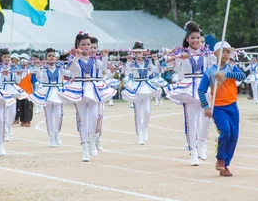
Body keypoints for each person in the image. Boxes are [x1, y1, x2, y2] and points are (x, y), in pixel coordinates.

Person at [60, 32, 115, 162]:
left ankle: (92, 141)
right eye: (83, 44)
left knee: (95, 117)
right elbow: (68, 69)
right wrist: (76, 57)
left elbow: (103, 70)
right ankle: (84, 147)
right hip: (79, 88)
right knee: (82, 120)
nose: (86, 47)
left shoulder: (95, 59)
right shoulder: (73, 58)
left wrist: (105, 57)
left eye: (88, 45)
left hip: (93, 88)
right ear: (78, 45)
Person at [166, 22, 214, 165]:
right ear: (187, 39)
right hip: (187, 89)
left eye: (198, 38)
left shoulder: (206, 53)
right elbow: (170, 65)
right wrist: (179, 58)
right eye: (192, 38)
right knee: (191, 122)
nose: (195, 41)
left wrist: (227, 52)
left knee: (207, 118)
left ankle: (202, 143)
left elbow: (219, 61)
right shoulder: (182, 53)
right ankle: (193, 151)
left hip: (204, 88)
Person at [198, 41, 246, 176]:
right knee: (226, 131)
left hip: (232, 106)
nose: (225, 54)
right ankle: (220, 159)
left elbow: (243, 76)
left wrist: (226, 75)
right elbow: (201, 90)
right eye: (223, 51)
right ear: (215, 53)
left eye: (228, 52)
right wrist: (206, 106)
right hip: (218, 108)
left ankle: (225, 164)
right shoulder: (210, 72)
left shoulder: (232, 68)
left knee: (234, 136)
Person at [122, 42, 160, 145]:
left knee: (147, 111)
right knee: (138, 113)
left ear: (143, 53)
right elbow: (127, 73)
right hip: (136, 87)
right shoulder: (132, 63)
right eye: (136, 52)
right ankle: (139, 135)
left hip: (146, 86)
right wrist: (128, 62)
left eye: (140, 52)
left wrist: (156, 60)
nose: (138, 54)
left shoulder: (148, 62)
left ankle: (144, 129)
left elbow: (156, 71)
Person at [29, 48, 68, 147]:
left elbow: (70, 74)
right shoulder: (43, 69)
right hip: (46, 93)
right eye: (49, 56)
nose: (51, 58)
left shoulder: (60, 68)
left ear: (56, 58)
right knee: (49, 117)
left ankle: (56, 133)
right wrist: (37, 68)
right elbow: (38, 77)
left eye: (53, 56)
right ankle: (51, 137)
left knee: (58, 115)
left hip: (58, 93)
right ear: (46, 58)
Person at [0, 49, 27, 139]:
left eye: (8, 57)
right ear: (1, 58)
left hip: (12, 89)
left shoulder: (14, 67)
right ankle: (5, 131)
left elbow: (18, 81)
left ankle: (9, 126)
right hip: (2, 89)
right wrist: (3, 74)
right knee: (3, 111)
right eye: (5, 57)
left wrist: (18, 74)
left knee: (13, 112)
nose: (7, 59)